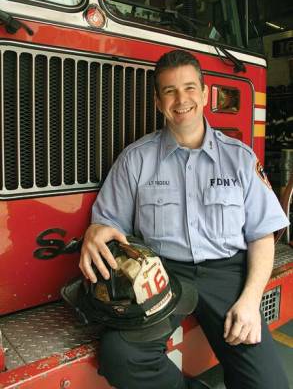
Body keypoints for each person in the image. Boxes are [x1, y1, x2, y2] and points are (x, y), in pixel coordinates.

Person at [79, 49, 290, 389]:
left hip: (227, 273)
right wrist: (95, 230)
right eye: (170, 91)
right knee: (121, 356)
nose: (182, 100)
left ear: (206, 95)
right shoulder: (136, 160)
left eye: (190, 88)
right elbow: (108, 224)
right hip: (163, 275)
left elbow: (262, 234)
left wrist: (251, 300)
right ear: (158, 102)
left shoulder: (239, 158)